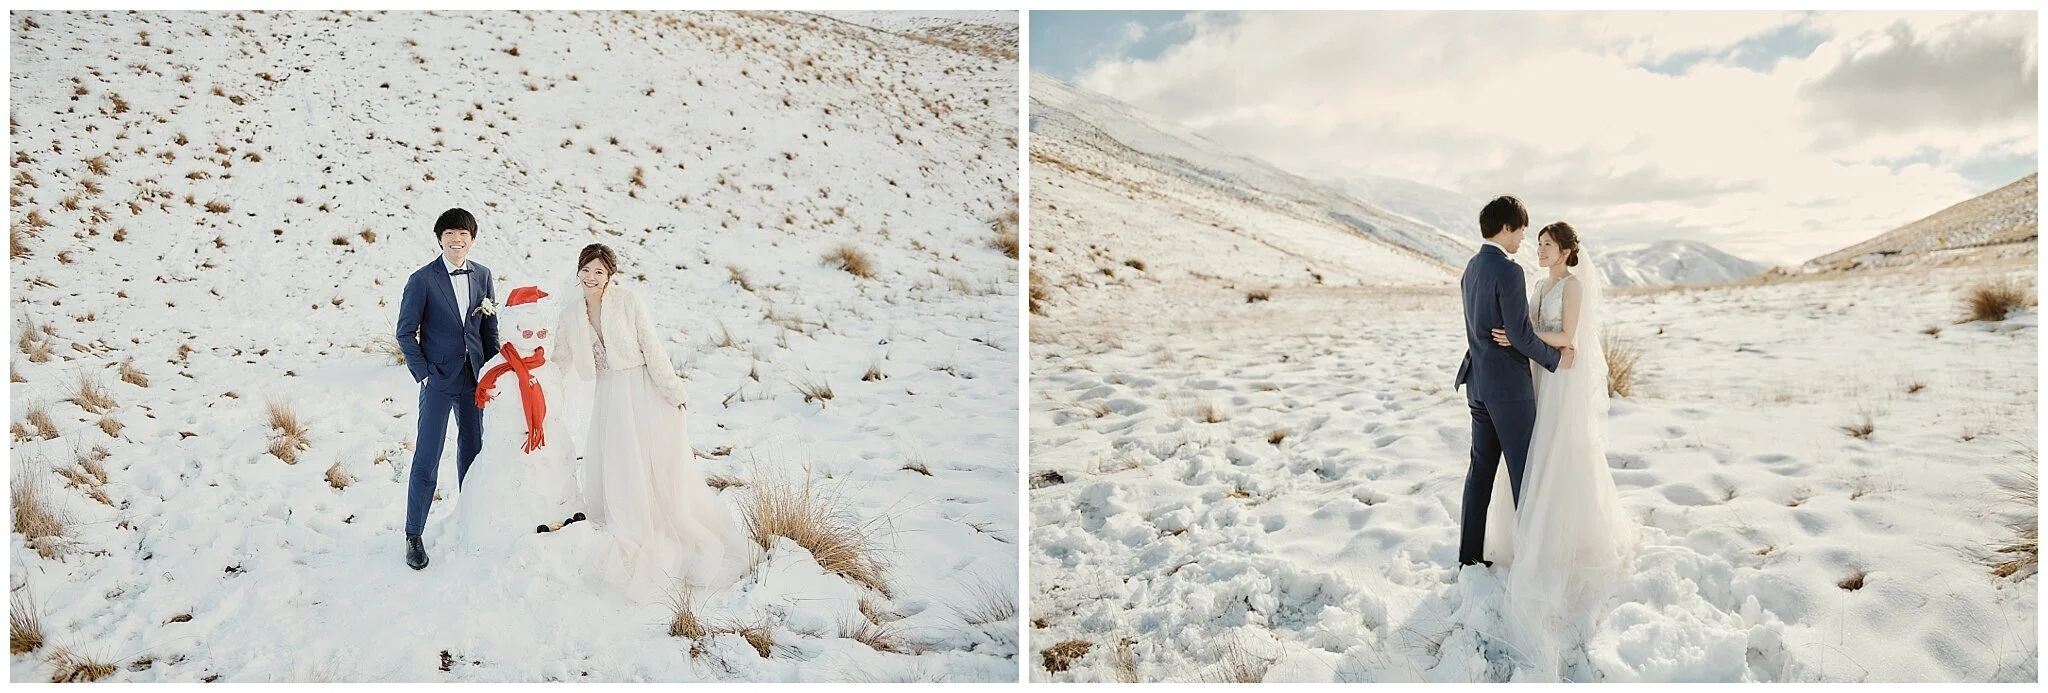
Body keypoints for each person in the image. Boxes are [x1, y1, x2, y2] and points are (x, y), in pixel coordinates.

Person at [551, 243, 750, 593]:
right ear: (578, 271)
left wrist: (673, 390)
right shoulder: (571, 313)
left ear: (609, 275)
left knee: (649, 459)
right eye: (586, 270)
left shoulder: (627, 301)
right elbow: (560, 359)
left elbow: (651, 346)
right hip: (608, 394)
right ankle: (627, 517)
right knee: (618, 459)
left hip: (640, 388)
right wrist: (541, 389)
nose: (591, 277)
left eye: (599, 272)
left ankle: (658, 521)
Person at [1453, 195, 1570, 568]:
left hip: (1477, 384)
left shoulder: (1471, 268)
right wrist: (1556, 358)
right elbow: (1518, 335)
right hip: (1508, 388)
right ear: (1506, 228)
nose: (1522, 239)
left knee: (1480, 472)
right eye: (1521, 231)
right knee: (1525, 473)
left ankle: (1469, 557)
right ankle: (1532, 563)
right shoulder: (1509, 270)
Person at [394, 208, 499, 570]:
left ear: (472, 239)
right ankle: (414, 534)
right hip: (437, 380)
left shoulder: (483, 275)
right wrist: (424, 374)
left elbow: (489, 329)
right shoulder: (422, 280)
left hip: (473, 380)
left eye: (463, 235)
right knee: (427, 455)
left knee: (473, 452)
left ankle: (471, 521)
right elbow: (405, 332)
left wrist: (493, 372)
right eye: (450, 235)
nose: (457, 241)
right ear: (440, 239)